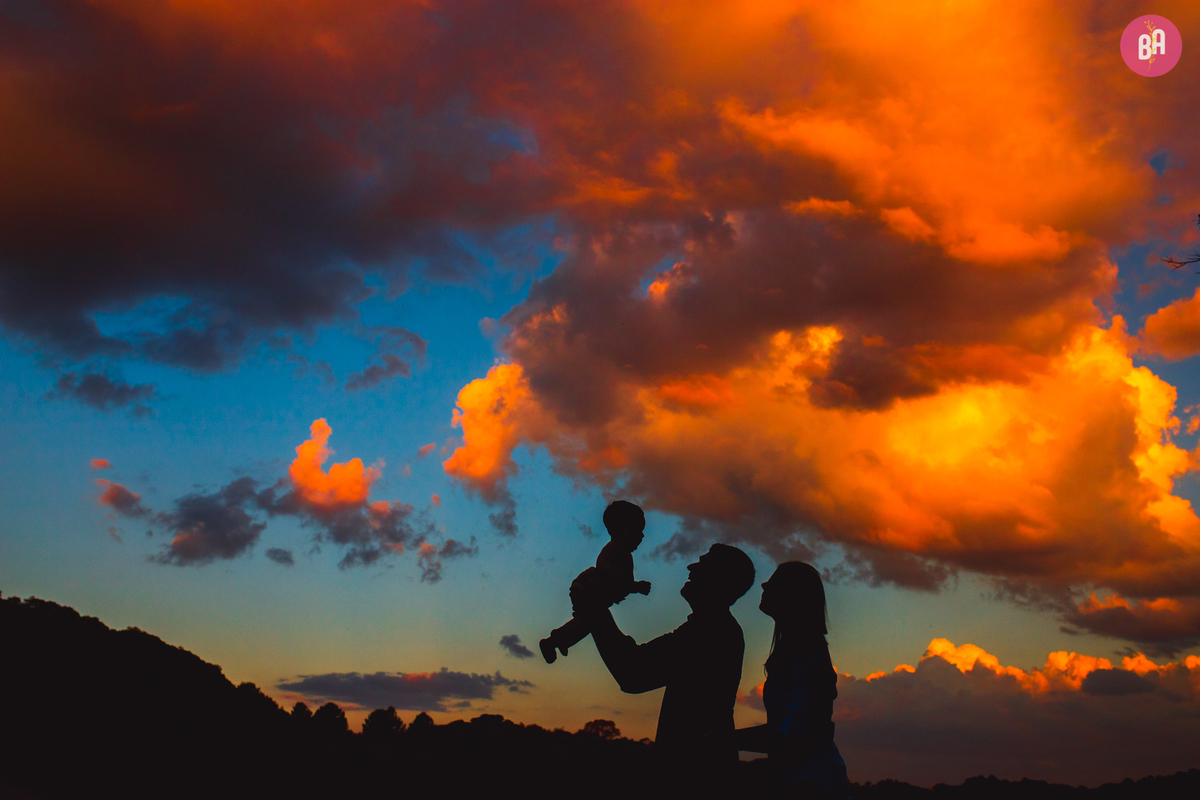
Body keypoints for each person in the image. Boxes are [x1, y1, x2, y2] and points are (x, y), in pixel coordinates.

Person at [574, 543, 756, 793]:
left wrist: (595, 609)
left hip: (696, 782)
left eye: (703, 564)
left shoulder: (710, 633)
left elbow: (633, 672)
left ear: (719, 580)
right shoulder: (715, 630)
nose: (692, 566)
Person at [734, 562, 851, 799]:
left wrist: (720, 739)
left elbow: (793, 737)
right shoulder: (801, 650)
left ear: (794, 596)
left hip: (810, 783)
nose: (765, 584)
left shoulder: (804, 653)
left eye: (776, 581)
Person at [540, 500, 652, 664]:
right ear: (619, 529)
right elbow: (602, 564)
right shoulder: (615, 548)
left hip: (594, 594)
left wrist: (635, 587)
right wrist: (628, 583)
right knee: (592, 619)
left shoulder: (625, 554)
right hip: (589, 589)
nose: (641, 536)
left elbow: (624, 584)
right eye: (637, 530)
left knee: (588, 623)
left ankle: (557, 641)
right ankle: (555, 640)